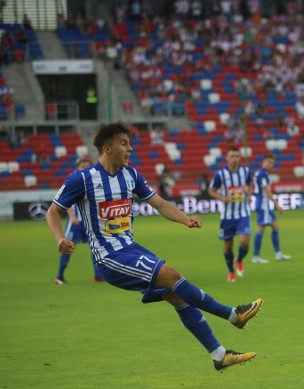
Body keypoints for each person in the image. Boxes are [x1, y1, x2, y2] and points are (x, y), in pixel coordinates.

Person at [45, 122, 262, 372]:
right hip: (109, 256)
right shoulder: (82, 179)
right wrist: (59, 238)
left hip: (132, 248)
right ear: (107, 148)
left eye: (130, 143)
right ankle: (234, 315)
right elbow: (53, 211)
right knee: (172, 275)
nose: (130, 149)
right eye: (124, 143)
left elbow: (159, 203)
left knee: (176, 294)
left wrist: (185, 219)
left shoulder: (131, 175)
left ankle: (219, 355)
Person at [54, 156, 105, 285]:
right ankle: (59, 277)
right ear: (78, 167)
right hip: (75, 223)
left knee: (95, 249)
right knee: (68, 248)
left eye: (87, 166)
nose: (85, 168)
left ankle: (98, 276)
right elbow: (65, 202)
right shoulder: (75, 180)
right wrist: (72, 216)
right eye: (83, 166)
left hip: (89, 223)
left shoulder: (93, 181)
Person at [209, 147, 252, 282]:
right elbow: (211, 190)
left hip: (243, 213)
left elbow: (250, 184)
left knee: (244, 242)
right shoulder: (220, 174)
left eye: (237, 156)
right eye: (232, 156)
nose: (235, 159)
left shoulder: (245, 171)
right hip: (227, 215)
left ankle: (239, 260)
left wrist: (249, 195)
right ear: (227, 158)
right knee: (228, 246)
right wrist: (223, 198)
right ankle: (231, 270)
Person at [251, 153, 291, 263]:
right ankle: (255, 256)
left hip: (264, 205)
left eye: (272, 163)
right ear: (263, 162)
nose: (271, 165)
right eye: (269, 162)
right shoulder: (262, 174)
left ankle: (278, 253)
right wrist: (276, 204)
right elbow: (266, 190)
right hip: (263, 205)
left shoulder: (260, 173)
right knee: (261, 229)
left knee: (275, 226)